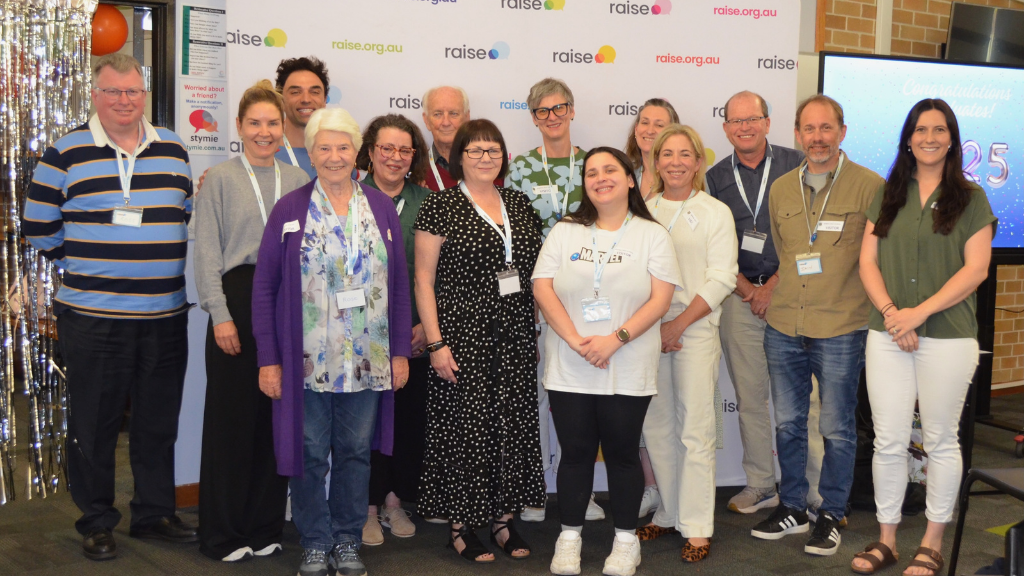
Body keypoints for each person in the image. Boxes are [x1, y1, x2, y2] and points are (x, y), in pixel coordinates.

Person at [24, 53, 196, 560]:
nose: (125, 101)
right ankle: (96, 520)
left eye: (134, 92)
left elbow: (181, 214)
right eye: (114, 92)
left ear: (145, 94)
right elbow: (38, 228)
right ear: (95, 95)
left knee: (157, 422)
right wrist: (88, 263)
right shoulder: (65, 152)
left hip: (165, 315)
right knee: (94, 424)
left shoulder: (173, 149)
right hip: (93, 318)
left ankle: (154, 513)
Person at [251, 107, 412, 576]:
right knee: (309, 452)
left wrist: (400, 351)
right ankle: (315, 541)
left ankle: (346, 540)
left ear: (357, 152)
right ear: (312, 152)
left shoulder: (380, 207)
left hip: (368, 357)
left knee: (356, 453)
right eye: (325, 147)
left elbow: (398, 285)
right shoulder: (291, 208)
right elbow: (264, 287)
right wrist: (269, 358)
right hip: (306, 360)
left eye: (343, 147)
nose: (335, 156)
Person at [851, 99, 995, 576]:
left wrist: (918, 314)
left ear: (952, 138)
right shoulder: (889, 193)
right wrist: (894, 314)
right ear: (907, 138)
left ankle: (932, 542)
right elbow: (867, 262)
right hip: (887, 331)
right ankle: (887, 538)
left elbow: (976, 270)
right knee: (888, 440)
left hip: (948, 336)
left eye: (938, 130)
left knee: (939, 440)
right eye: (919, 129)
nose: (928, 137)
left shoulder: (971, 198)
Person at [533, 146, 681, 576]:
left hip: (628, 361)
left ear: (631, 179)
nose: (600, 178)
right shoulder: (565, 230)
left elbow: (661, 300)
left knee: (622, 453)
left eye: (610, 170)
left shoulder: (651, 234)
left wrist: (614, 340)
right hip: (571, 361)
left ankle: (625, 540)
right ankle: (569, 537)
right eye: (591, 172)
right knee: (575, 454)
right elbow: (542, 288)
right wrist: (579, 341)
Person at [751, 95, 884, 557]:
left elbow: (879, 257)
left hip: (842, 325)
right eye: (809, 129)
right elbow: (789, 256)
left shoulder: (870, 186)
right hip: (785, 323)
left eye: (827, 128)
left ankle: (831, 513)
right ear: (798, 134)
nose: (818, 138)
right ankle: (791, 507)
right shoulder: (782, 189)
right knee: (787, 423)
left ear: (842, 132)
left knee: (836, 426)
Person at [414, 119, 544, 562]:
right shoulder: (440, 206)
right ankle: (459, 527)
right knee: (465, 432)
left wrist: (535, 329)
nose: (486, 158)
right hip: (461, 338)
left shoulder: (520, 203)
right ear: (458, 159)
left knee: (511, 427)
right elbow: (423, 280)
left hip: (514, 338)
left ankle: (504, 523)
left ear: (504, 157)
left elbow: (533, 277)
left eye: (493, 151)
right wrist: (435, 344)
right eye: (475, 151)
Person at [194, 80, 310, 562]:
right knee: (231, 422)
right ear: (239, 127)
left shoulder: (300, 181)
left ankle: (264, 526)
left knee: (274, 420)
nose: (265, 132)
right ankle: (223, 531)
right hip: (237, 305)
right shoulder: (219, 178)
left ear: (284, 128)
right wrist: (219, 315)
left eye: (273, 123)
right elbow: (205, 254)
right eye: (255, 123)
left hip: (286, 305)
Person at [705, 91, 825, 517]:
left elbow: (812, 236)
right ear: (725, 129)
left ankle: (813, 490)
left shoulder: (798, 165)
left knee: (801, 400)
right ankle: (759, 482)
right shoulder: (716, 178)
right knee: (751, 397)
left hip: (792, 295)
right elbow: (713, 248)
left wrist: (773, 285)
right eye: (735, 121)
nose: (744, 127)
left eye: (752, 118)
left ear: (768, 122)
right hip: (740, 299)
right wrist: (748, 291)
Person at [506, 78, 603, 524]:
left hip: (588, 295)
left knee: (578, 394)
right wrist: (528, 296)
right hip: (537, 296)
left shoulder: (594, 165)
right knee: (541, 394)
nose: (551, 116)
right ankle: (535, 490)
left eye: (558, 107)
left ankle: (578, 492)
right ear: (533, 117)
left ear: (572, 109)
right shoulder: (522, 168)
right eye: (542, 111)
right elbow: (516, 239)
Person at [639, 125, 738, 563]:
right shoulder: (643, 209)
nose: (676, 162)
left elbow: (722, 278)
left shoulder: (715, 211)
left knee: (694, 430)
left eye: (685, 154)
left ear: (698, 162)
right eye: (667, 154)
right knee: (657, 428)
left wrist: (677, 325)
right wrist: (654, 326)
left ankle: (697, 525)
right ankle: (670, 509)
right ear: (656, 161)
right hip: (648, 331)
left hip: (693, 330)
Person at [354, 114, 432, 545]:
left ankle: (395, 502)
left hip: (414, 335)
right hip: (361, 337)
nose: (395, 158)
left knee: (405, 423)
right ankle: (365, 508)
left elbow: (438, 274)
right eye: (387, 149)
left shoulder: (430, 202)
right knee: (365, 425)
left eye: (404, 150)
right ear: (370, 151)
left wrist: (426, 327)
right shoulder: (350, 197)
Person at [274, 56, 330, 179]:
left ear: (325, 99)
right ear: (281, 100)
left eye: (314, 92)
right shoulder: (267, 153)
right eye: (295, 92)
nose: (306, 99)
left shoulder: (340, 154)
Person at [623, 98, 679, 201]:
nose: (650, 131)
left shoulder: (685, 175)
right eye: (645, 123)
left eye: (659, 125)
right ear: (636, 129)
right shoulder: (624, 173)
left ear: (673, 132)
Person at [421, 85, 470, 191]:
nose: (446, 122)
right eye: (438, 114)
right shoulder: (414, 167)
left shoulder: (485, 166)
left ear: (467, 118)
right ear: (426, 121)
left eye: (454, 114)